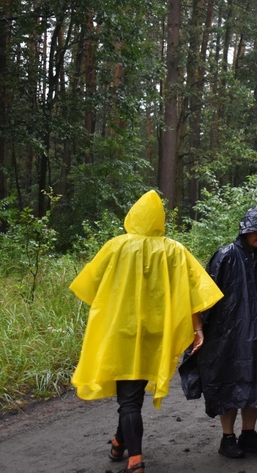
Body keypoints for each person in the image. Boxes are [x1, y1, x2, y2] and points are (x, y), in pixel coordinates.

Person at [69, 190, 224, 473]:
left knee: (129, 399)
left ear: (133, 217)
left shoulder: (116, 247)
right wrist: (197, 328)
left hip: (121, 332)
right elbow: (193, 293)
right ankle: (119, 441)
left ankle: (135, 460)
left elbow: (91, 286)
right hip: (156, 336)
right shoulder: (174, 250)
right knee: (132, 396)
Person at [179, 206, 257, 458]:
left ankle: (248, 435)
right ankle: (227, 439)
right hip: (228, 337)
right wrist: (200, 331)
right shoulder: (225, 256)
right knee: (229, 384)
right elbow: (204, 296)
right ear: (246, 231)